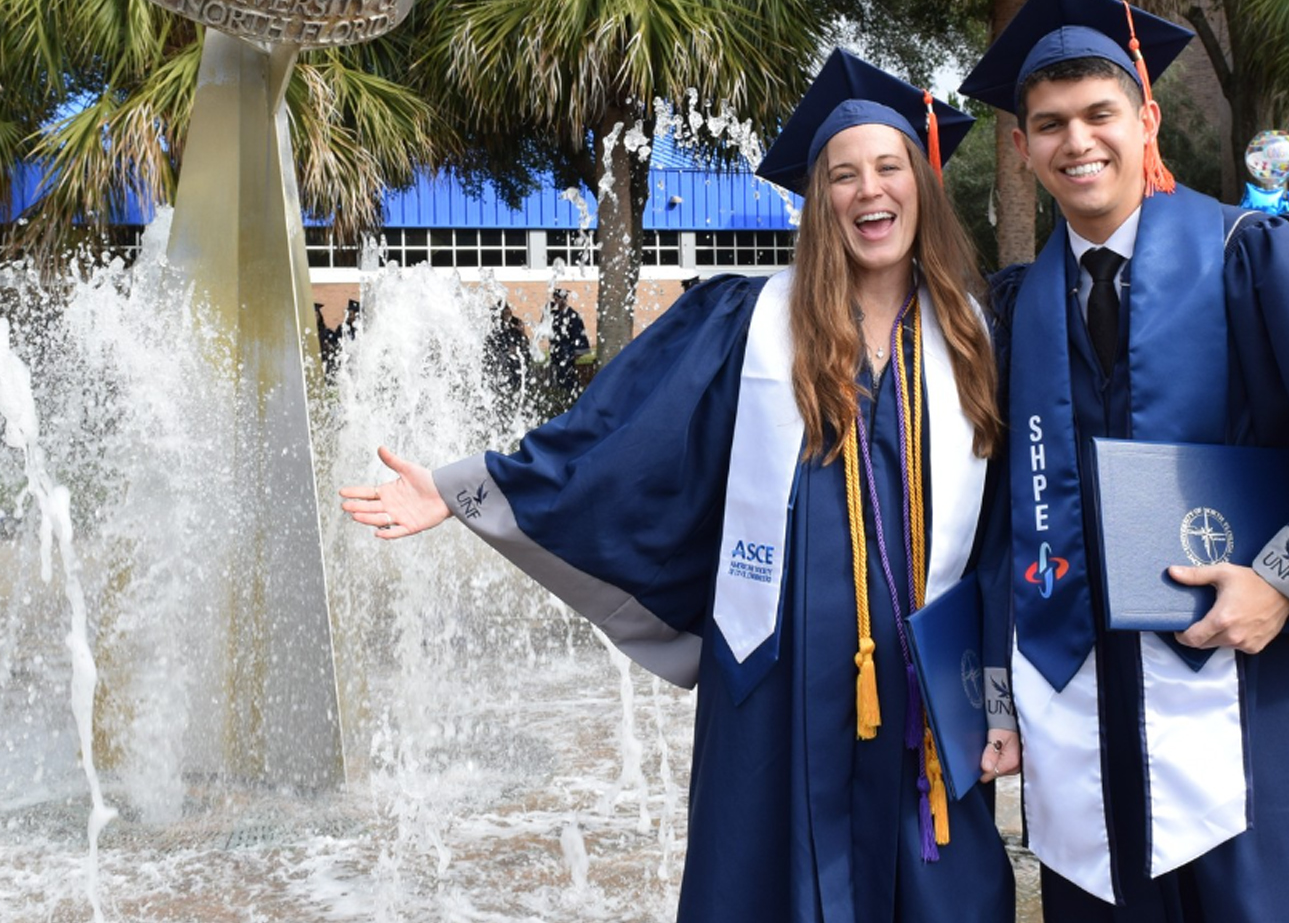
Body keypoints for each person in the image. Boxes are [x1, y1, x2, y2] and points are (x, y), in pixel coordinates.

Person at [341, 49, 1019, 923]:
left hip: (930, 691)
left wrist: (995, 693)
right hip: (778, 689)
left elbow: (1010, 533)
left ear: (921, 185)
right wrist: (470, 487)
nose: (867, 191)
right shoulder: (748, 324)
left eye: (888, 167)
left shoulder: (980, 335)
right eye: (842, 175)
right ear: (821, 202)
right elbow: (623, 440)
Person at [963, 0, 1289, 922]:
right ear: (1020, 149)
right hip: (1092, 711)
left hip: (1268, 686)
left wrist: (1285, 581)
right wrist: (1001, 693)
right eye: (1049, 124)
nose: (1076, 141)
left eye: (1099, 113)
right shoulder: (1014, 308)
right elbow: (994, 516)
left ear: (1148, 122)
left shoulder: (1260, 260)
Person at [546, 288, 590, 402]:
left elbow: (578, 335)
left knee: (567, 378)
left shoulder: (573, 316)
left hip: (567, 352)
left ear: (564, 299)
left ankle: (571, 397)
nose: (556, 301)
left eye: (558, 299)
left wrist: (574, 353)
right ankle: (558, 397)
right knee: (556, 378)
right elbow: (545, 328)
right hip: (555, 351)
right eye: (554, 299)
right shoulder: (553, 314)